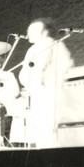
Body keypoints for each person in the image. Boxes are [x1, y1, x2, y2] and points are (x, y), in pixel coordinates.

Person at [18, 17, 73, 149]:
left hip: (50, 95)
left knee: (48, 131)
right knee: (39, 132)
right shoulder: (32, 50)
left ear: (44, 32)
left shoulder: (56, 45)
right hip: (36, 95)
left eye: (32, 30)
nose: (27, 33)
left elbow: (65, 68)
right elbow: (24, 73)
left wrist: (44, 76)